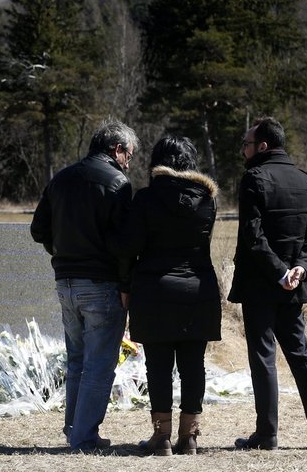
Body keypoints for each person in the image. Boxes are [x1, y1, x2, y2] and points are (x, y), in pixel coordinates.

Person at [30, 120, 138, 452]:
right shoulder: (118, 183)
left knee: (76, 359)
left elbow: (38, 231)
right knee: (99, 364)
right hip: (102, 284)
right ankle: (84, 437)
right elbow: (124, 244)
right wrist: (125, 285)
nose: (129, 162)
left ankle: (74, 429)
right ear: (117, 149)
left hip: (65, 282)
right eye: (129, 155)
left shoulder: (60, 179)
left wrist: (60, 252)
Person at [228, 117, 307, 451]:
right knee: (300, 353)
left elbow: (252, 236)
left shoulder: (253, 180)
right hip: (293, 284)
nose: (242, 150)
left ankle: (267, 434)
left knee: (263, 356)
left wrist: (280, 272)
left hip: (261, 284)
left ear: (262, 146)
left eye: (246, 144)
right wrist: (299, 269)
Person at [122, 135, 222, 456]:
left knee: (158, 365)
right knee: (195, 365)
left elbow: (131, 247)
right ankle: (189, 436)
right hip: (198, 290)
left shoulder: (146, 199)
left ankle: (161, 436)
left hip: (154, 290)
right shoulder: (208, 201)